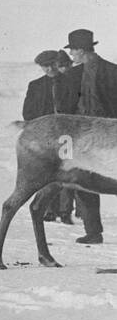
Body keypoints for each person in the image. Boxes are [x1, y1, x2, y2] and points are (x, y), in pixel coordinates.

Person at [62, 28, 117, 243]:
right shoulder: (113, 70)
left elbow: (65, 109)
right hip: (112, 136)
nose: (71, 56)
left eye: (73, 51)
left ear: (79, 50)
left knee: (83, 181)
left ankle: (93, 232)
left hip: (83, 138)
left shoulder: (73, 75)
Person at [22, 49, 79, 222]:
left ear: (57, 63)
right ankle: (49, 209)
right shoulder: (35, 85)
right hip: (45, 137)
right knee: (46, 173)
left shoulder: (73, 84)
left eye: (51, 64)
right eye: (44, 66)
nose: (48, 69)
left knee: (67, 173)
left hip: (67, 136)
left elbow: (78, 109)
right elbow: (27, 112)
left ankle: (65, 211)